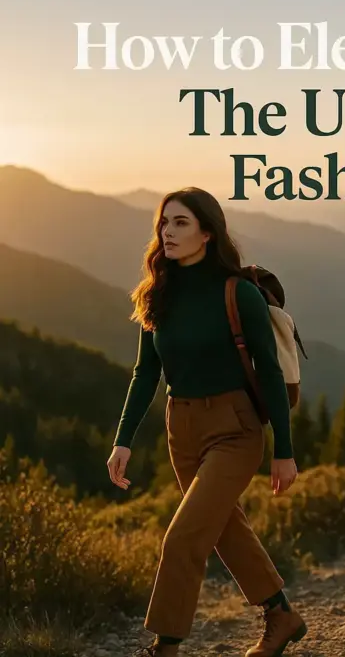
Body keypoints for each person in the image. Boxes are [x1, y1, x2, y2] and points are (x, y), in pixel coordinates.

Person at [106, 187, 307, 657]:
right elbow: (145, 373)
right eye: (164, 223)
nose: (167, 232)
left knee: (182, 537)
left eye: (180, 223)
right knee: (220, 527)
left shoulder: (238, 293)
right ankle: (281, 616)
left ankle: (166, 646)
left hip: (235, 428)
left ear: (207, 234)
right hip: (183, 429)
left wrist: (284, 450)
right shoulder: (156, 294)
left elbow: (272, 372)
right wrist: (123, 441)